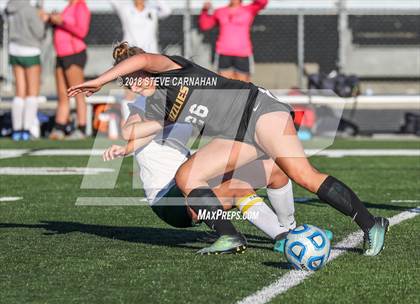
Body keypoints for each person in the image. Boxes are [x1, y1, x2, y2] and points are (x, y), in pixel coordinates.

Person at [68, 43, 388, 256]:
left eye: (133, 77)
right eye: (127, 82)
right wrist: (124, 143)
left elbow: (140, 59)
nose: (133, 84)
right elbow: (140, 130)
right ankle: (231, 235)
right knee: (189, 175)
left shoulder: (169, 68)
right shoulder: (156, 104)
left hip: (258, 109)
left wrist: (101, 80)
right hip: (236, 136)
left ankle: (371, 223)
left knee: (302, 174)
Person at [102, 97, 329, 254]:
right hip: (168, 199)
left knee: (274, 168)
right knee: (236, 187)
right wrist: (165, 121)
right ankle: (283, 238)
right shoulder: (144, 104)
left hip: (193, 180)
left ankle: (290, 228)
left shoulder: (181, 100)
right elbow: (130, 131)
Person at [109, 0, 172, 120]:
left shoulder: (152, 9)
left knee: (153, 89)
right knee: (131, 90)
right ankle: (128, 123)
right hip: (131, 56)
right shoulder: (125, 8)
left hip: (150, 56)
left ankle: (150, 121)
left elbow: (167, 10)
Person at [47, 0, 91, 140]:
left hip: (74, 54)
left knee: (78, 92)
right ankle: (60, 127)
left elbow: (82, 31)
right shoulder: (68, 6)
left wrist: (62, 22)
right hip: (60, 54)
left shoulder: (81, 6)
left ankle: (81, 127)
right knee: (62, 94)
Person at [5, 0, 46, 141]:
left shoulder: (9, 8)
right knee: (32, 92)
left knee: (19, 92)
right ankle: (26, 129)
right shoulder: (29, 9)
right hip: (30, 50)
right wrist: (42, 19)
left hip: (14, 50)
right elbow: (39, 32)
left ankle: (17, 130)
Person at [199, 0, 268, 82]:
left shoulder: (249, 9)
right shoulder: (220, 11)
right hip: (224, 53)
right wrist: (205, 10)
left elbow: (263, 2)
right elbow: (205, 25)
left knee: (243, 86)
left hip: (243, 53)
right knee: (225, 85)